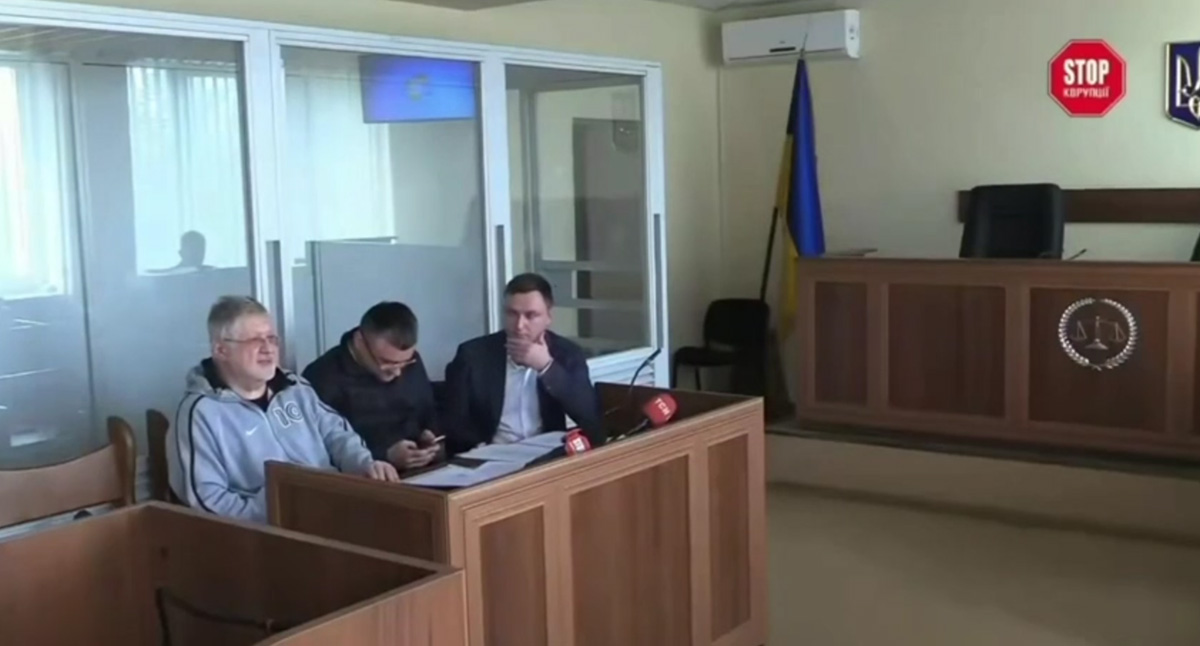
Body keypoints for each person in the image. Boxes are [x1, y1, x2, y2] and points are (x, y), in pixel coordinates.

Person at [168, 296, 398, 523]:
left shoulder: (294, 387)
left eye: (271, 339)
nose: (268, 349)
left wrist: (364, 465)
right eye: (255, 340)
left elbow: (336, 434)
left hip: (334, 507)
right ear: (221, 350)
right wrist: (276, 513)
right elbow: (206, 500)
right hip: (270, 531)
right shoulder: (200, 413)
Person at [443, 273, 603, 454]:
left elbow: (590, 417)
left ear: (548, 317)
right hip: (490, 458)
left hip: (546, 458)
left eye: (530, 315)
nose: (519, 325)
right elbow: (454, 424)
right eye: (512, 314)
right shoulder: (472, 355)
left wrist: (546, 366)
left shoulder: (567, 353)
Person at [303, 302, 441, 472]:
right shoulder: (322, 376)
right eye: (387, 362)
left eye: (405, 362)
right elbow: (321, 450)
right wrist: (385, 455)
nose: (397, 372)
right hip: (364, 477)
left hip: (423, 469)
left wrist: (429, 436)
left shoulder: (410, 362)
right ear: (359, 342)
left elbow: (427, 409)